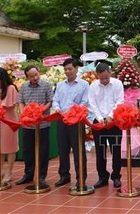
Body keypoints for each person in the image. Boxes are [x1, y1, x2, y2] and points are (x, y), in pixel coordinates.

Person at [52, 58, 89, 188]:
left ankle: (81, 177)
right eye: (66, 69)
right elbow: (55, 100)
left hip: (77, 121)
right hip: (61, 119)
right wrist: (59, 110)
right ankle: (64, 176)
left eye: (70, 69)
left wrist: (73, 113)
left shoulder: (84, 85)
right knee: (63, 149)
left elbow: (84, 102)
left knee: (78, 150)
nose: (68, 71)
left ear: (76, 69)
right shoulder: (60, 85)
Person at [87, 62, 124, 189]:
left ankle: (116, 176)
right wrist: (100, 118)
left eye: (106, 78)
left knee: (116, 150)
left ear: (110, 73)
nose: (104, 81)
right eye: (101, 78)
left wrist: (110, 116)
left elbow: (119, 101)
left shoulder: (117, 84)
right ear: (97, 75)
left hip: (114, 121)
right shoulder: (93, 86)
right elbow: (92, 103)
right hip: (99, 122)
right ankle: (102, 177)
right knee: (100, 151)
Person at [16, 65, 53, 186]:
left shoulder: (46, 85)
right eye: (32, 76)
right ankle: (28, 174)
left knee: (43, 151)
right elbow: (20, 101)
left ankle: (41, 176)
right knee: (28, 151)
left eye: (36, 74)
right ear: (27, 77)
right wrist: (23, 112)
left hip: (42, 123)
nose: (35, 78)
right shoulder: (24, 87)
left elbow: (50, 101)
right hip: (28, 124)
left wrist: (40, 111)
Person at [0, 67, 19, 183]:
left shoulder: (11, 88)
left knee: (10, 147)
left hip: (9, 120)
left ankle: (9, 172)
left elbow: (9, 105)